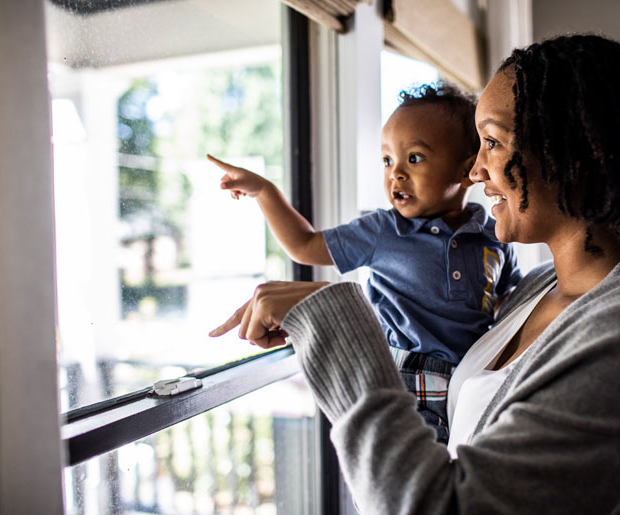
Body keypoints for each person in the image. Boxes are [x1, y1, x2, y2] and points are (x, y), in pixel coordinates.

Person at [210, 34, 620, 514]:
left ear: (574, 154)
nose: (474, 172)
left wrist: (336, 322)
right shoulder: (537, 290)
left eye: (491, 142)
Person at [208, 82, 522, 443]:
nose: (395, 174)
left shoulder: (491, 234)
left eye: (414, 158)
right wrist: (266, 193)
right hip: (402, 373)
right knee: (412, 476)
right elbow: (305, 244)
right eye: (387, 160)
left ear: (467, 170)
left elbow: (509, 303)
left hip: (471, 377)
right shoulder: (384, 229)